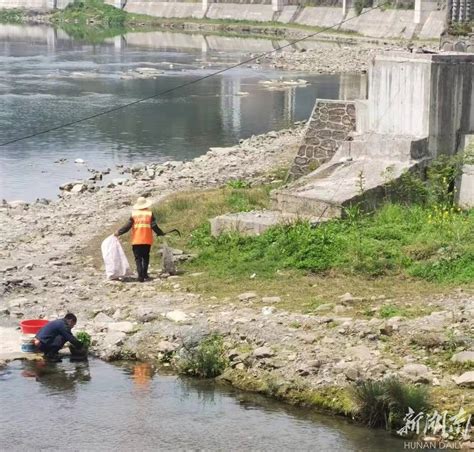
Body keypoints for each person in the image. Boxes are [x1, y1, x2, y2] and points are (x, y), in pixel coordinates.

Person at [115, 196, 165, 282]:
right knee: (145, 257)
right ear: (146, 205)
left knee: (138, 258)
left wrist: (118, 232)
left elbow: (127, 226)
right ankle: (145, 274)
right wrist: (160, 233)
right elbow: (154, 226)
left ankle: (140, 276)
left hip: (136, 240)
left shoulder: (134, 214)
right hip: (147, 239)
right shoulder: (149, 213)